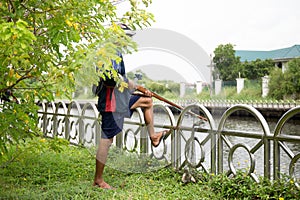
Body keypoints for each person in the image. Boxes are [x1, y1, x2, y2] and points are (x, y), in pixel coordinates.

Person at [93, 24, 170, 189]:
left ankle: (154, 137)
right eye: (126, 37)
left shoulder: (116, 52)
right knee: (106, 140)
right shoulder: (109, 53)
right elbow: (111, 79)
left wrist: (139, 89)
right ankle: (98, 180)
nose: (128, 40)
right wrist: (133, 85)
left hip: (119, 99)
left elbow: (120, 78)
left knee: (147, 101)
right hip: (110, 103)